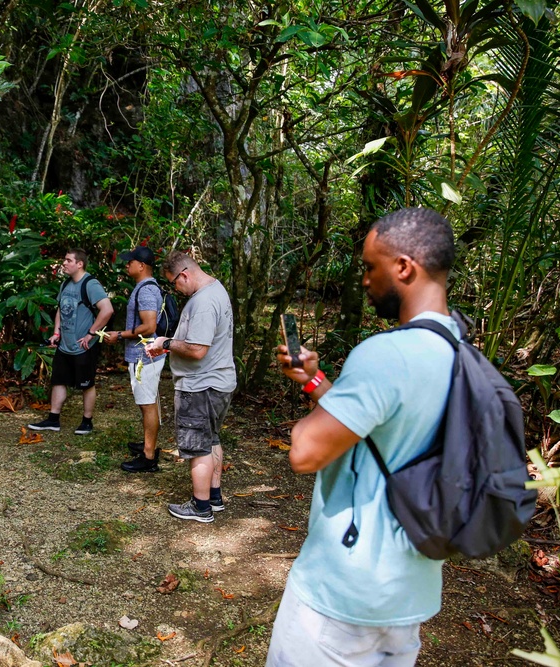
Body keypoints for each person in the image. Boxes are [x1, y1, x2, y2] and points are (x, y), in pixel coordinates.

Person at [266, 207, 460, 667]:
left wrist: (304, 425)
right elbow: (384, 427)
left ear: (404, 267)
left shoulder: (386, 353)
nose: (365, 281)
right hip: (408, 592)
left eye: (370, 267)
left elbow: (305, 452)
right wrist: (314, 382)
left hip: (342, 594)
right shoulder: (459, 351)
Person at [145, 250, 235, 522]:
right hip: (218, 382)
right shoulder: (216, 290)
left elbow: (197, 349)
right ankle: (214, 497)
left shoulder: (203, 302)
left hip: (201, 386)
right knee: (211, 439)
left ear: (183, 274)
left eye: (174, 283)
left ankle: (201, 506)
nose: (176, 289)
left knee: (198, 448)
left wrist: (165, 343)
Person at [28, 248, 114, 435]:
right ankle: (53, 419)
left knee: (86, 384)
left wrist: (92, 333)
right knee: (58, 381)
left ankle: (87, 421)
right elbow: (61, 308)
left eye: (68, 260)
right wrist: (56, 333)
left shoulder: (90, 284)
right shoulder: (66, 284)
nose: (64, 263)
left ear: (79, 264)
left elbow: (107, 310)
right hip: (64, 344)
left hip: (83, 346)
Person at [104, 245, 165, 472]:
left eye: (130, 262)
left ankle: (149, 458)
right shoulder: (145, 287)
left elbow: (149, 326)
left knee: (147, 404)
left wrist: (119, 335)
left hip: (145, 356)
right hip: (146, 355)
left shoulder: (146, 290)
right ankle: (148, 445)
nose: (127, 264)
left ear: (142, 266)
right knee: (147, 402)